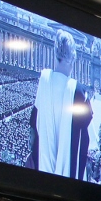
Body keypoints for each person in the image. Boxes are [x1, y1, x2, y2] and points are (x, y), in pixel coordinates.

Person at [30, 29, 92, 180]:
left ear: (55, 53)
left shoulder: (43, 81)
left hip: (41, 172)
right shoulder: (79, 92)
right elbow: (85, 136)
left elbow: (34, 125)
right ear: (73, 58)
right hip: (68, 178)